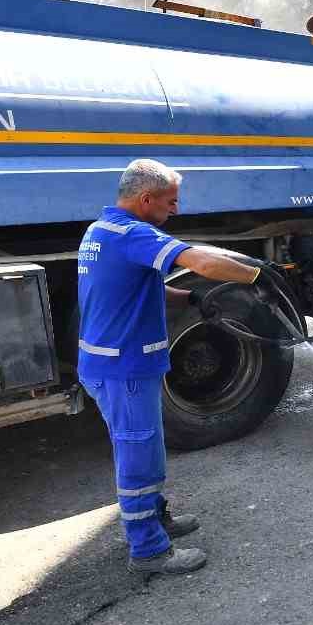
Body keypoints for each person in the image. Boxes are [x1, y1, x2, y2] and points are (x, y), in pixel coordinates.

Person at [77, 159, 266, 575]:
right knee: (138, 459)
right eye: (170, 201)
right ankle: (147, 551)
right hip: (123, 369)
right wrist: (256, 274)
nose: (175, 210)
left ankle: (156, 519)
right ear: (146, 199)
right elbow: (204, 263)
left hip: (115, 365)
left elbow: (127, 289)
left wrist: (188, 300)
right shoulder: (134, 234)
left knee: (148, 450)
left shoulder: (101, 231)